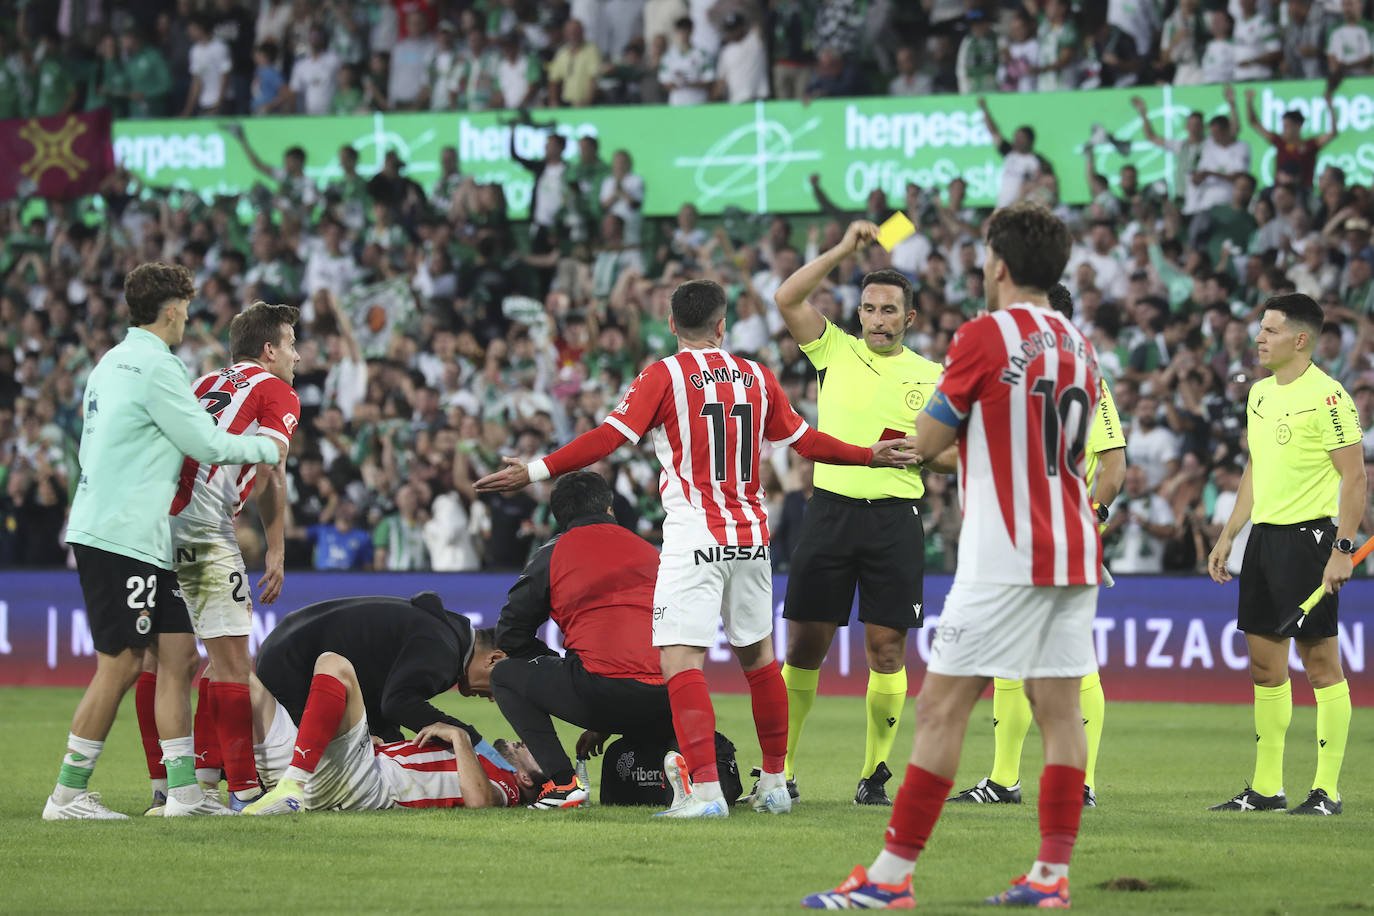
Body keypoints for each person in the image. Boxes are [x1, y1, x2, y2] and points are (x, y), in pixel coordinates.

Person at [475, 278, 916, 818]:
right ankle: (775, 783)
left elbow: (609, 438)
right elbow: (807, 442)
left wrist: (535, 469)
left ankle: (705, 790)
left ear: (671, 324)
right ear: (722, 325)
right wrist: (869, 455)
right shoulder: (756, 375)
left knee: (681, 658)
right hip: (751, 537)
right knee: (759, 660)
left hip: (696, 535)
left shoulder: (664, 375)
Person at [801, 201, 1099, 909]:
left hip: (1007, 550)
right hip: (1074, 543)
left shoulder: (986, 335)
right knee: (1059, 710)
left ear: (996, 265)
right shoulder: (1076, 342)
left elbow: (929, 440)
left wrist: (913, 443)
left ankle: (890, 878)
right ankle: (1051, 878)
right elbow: (1067, 447)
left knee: (939, 711)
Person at [43, 263, 282, 821]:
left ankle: (182, 794)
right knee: (123, 664)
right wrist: (268, 450)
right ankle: (68, 794)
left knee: (176, 657)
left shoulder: (108, 363)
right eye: (187, 309)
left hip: (146, 535)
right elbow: (204, 441)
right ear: (172, 310)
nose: (189, 319)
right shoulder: (158, 366)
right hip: (119, 534)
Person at [768, 222, 946, 807]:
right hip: (831, 513)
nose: (876, 319)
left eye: (889, 310)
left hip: (895, 518)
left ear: (909, 318)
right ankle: (782, 770)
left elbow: (953, 456)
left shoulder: (932, 377)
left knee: (888, 649)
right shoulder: (834, 349)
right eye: (868, 308)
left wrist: (931, 454)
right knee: (803, 648)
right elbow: (787, 298)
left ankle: (873, 776)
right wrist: (845, 249)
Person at [948, 283, 1126, 809]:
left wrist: (1092, 517)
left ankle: (1082, 783)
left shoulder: (1074, 377)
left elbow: (1113, 465)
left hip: (1046, 536)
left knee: (1072, 661)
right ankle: (1006, 780)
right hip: (1024, 536)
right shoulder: (1065, 375)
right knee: (1013, 655)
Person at [135, 301, 301, 813]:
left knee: (168, 662)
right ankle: (244, 791)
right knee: (231, 663)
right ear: (269, 351)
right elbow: (272, 469)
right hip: (205, 530)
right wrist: (275, 548)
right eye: (292, 345)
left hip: (151, 525)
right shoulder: (276, 391)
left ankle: (175, 787)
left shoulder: (203, 382)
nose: (297, 355)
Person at [1207, 292, 1365, 816]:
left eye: (1270, 330)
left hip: (1311, 540)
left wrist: (1343, 548)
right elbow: (1257, 467)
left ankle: (1327, 791)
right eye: (1260, 329)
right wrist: (1230, 533)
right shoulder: (1258, 395)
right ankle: (1267, 789)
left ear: (1300, 339)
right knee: (1263, 667)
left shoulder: (1330, 397)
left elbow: (1355, 476)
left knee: (1321, 665)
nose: (1259, 338)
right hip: (1265, 541)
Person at [476, 471, 674, 809]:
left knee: (504, 674)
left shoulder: (553, 553)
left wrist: (558, 664)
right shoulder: (653, 553)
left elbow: (510, 632)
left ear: (559, 518)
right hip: (670, 695)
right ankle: (693, 778)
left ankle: (563, 782)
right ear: (610, 509)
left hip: (600, 690)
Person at [250, 590, 514, 787]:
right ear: (494, 659)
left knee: (381, 752)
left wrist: (388, 738)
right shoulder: (444, 650)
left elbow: (381, 690)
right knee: (311, 777)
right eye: (502, 688)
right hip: (294, 665)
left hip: (288, 645)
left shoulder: (444, 635)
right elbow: (398, 703)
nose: (493, 699)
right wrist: (471, 740)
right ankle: (237, 779)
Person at [244, 656, 540, 814]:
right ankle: (235, 796)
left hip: (358, 784)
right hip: (338, 774)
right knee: (235, 675)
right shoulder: (479, 766)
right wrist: (379, 748)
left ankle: (289, 786)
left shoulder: (504, 787)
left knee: (334, 665)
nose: (525, 743)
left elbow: (480, 803)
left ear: (525, 778)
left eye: (533, 752)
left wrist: (460, 736)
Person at [1243, 86, 1338, 193]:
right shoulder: (1279, 142)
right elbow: (1254, 122)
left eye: (1287, 126)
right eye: (1283, 126)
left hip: (1303, 194)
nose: (1283, 130)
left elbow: (1332, 133)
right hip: (1280, 192)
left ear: (1298, 126)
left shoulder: (1310, 145)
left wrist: (1330, 107)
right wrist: (1249, 101)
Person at [977, 97, 1041, 208]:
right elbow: (994, 132)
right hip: (1001, 206)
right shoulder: (1010, 153)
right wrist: (984, 109)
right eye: (1016, 137)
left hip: (1017, 208)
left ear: (1030, 140)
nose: (1016, 140)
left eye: (1021, 138)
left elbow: (1038, 183)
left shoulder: (1034, 161)